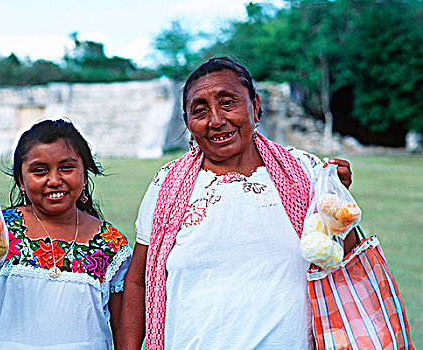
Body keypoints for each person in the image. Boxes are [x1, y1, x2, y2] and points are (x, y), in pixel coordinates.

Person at [121, 57, 356, 350]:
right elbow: (138, 283)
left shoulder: (304, 172)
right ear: (187, 122)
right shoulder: (166, 185)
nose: (216, 120)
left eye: (228, 102)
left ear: (255, 106)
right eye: (200, 110)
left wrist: (337, 202)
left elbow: (345, 262)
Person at [0, 119, 132, 349]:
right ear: (21, 180)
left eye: (66, 168)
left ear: (84, 174)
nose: (54, 180)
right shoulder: (1, 229)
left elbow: (121, 325)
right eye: (39, 171)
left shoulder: (109, 242)